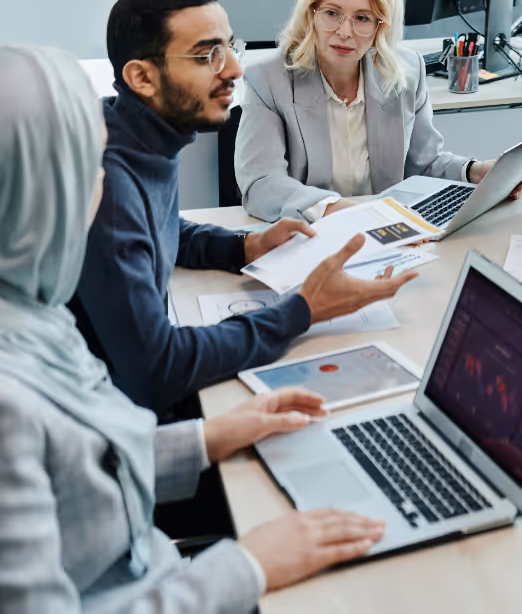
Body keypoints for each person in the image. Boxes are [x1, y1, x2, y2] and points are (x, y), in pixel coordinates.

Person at [0, 44, 387, 611]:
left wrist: (210, 437)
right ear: (37, 193)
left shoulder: (36, 315)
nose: (102, 190)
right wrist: (247, 565)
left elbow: (85, 473)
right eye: (87, 168)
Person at [71, 0, 417, 416]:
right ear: (141, 77)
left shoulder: (134, 130)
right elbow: (157, 368)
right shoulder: (110, 185)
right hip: (112, 426)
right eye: (206, 55)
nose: (233, 68)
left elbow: (158, 224)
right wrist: (302, 310)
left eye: (229, 46)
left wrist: (242, 246)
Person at [234, 0, 522, 223]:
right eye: (332, 13)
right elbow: (262, 184)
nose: (344, 32)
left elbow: (422, 165)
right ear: (311, 14)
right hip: (308, 236)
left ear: (380, 27)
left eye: (362, 18)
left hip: (385, 236)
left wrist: (477, 172)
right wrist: (336, 210)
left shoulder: (406, 72)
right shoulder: (269, 79)